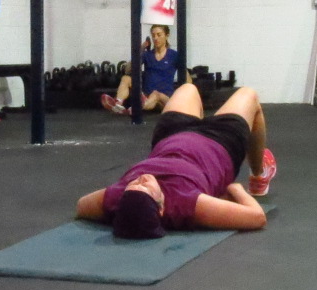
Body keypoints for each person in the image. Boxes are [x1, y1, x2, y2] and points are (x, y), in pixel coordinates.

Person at [76, 82, 277, 237]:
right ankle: (259, 175)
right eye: (146, 188)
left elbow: (81, 206)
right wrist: (235, 189)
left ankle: (198, 119)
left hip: (170, 135)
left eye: (134, 185)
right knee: (249, 95)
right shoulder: (185, 203)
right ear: (162, 208)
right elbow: (257, 217)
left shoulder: (119, 199)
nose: (141, 179)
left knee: (188, 88)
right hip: (220, 142)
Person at [101, 23, 179, 115]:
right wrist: (140, 51)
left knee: (156, 94)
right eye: (153, 35)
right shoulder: (147, 55)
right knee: (126, 78)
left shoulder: (174, 55)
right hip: (146, 96)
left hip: (165, 98)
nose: (155, 38)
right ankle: (118, 105)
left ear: (167, 35)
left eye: (159, 35)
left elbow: (187, 79)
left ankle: (136, 108)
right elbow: (127, 70)